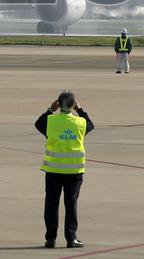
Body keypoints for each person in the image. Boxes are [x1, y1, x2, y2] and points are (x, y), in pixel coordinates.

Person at [35, 90, 95, 249]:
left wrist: (50, 109)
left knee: (51, 204)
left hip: (53, 170)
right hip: (74, 172)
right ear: (73, 105)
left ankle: (50, 238)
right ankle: (71, 237)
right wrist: (80, 110)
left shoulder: (50, 121)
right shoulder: (80, 123)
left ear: (58, 104)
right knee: (71, 204)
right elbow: (90, 124)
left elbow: (38, 123)